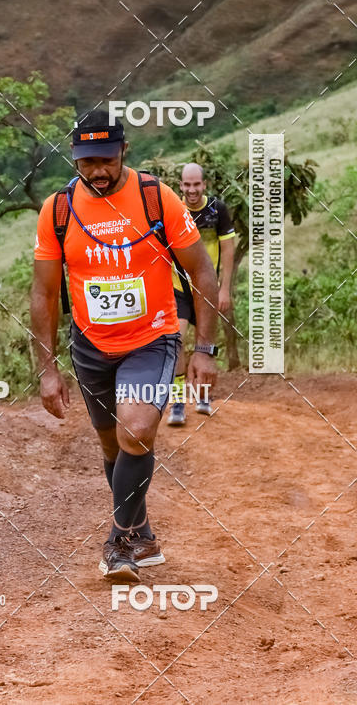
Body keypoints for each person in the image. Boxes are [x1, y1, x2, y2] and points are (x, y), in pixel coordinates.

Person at [30, 110, 219, 582]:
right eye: (86, 161)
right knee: (115, 448)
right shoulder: (57, 210)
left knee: (136, 431)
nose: (97, 170)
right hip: (91, 346)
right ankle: (144, 534)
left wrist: (204, 348)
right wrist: (47, 369)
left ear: (124, 152)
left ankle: (117, 543)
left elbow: (201, 271)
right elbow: (43, 293)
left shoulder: (157, 198)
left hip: (152, 338)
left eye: (106, 160)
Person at [167, 163, 235, 426]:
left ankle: (203, 396)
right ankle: (177, 402)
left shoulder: (218, 210)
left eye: (197, 184)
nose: (192, 190)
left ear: (204, 185)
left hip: (207, 288)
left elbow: (228, 251)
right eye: (187, 185)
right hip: (178, 289)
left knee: (205, 343)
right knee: (177, 341)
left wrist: (225, 289)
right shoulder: (173, 209)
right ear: (181, 185)